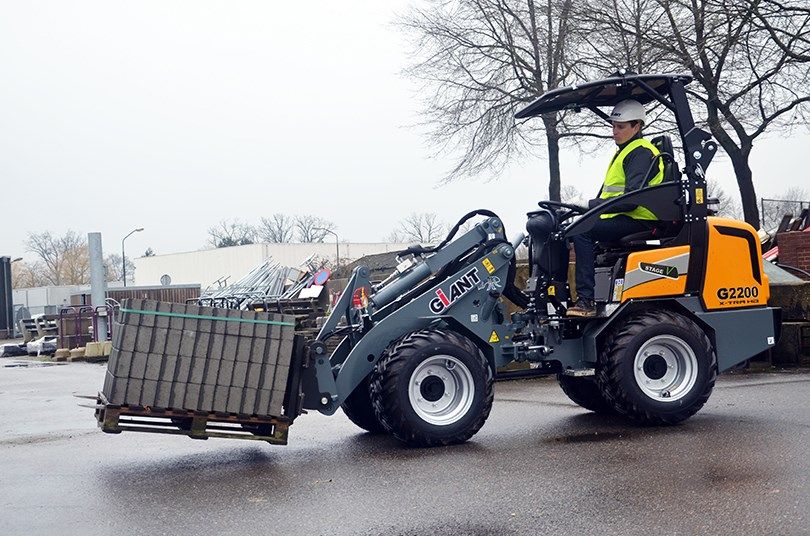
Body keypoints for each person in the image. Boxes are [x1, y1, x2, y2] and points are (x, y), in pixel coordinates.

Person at [566, 99, 664, 317]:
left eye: (620, 127)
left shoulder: (640, 153)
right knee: (565, 231)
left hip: (639, 219)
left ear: (637, 126)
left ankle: (586, 301)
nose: (614, 132)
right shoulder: (625, 151)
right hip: (623, 216)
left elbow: (631, 199)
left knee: (582, 231)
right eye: (613, 126)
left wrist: (592, 206)